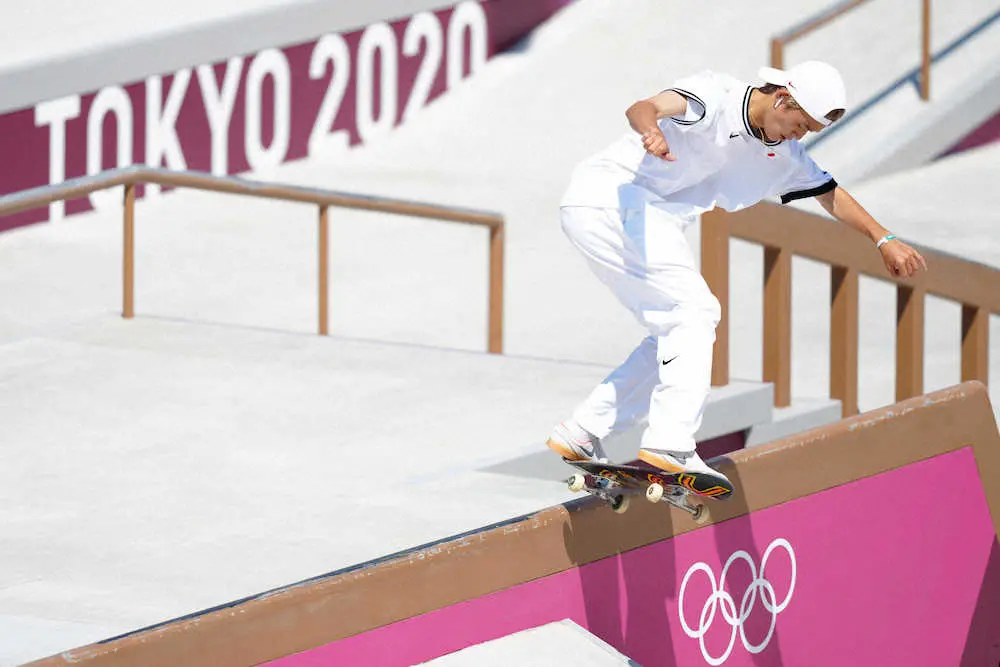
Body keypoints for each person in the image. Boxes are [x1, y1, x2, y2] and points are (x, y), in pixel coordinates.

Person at [546, 61, 927, 486]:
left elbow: (828, 192)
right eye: (800, 124)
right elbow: (643, 107)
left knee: (676, 332)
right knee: (694, 314)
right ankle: (671, 443)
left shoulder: (783, 155)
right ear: (783, 99)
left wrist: (882, 238)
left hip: (636, 216)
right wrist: (651, 130)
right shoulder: (715, 97)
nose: (798, 136)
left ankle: (583, 430)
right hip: (612, 199)